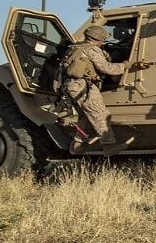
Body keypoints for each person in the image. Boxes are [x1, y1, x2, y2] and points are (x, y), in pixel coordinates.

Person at [61, 24, 149, 156]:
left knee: (85, 116)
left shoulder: (75, 48)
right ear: (98, 39)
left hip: (71, 86)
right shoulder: (92, 50)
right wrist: (127, 65)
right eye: (102, 40)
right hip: (83, 87)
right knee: (100, 114)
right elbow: (106, 68)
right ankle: (108, 146)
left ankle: (78, 145)